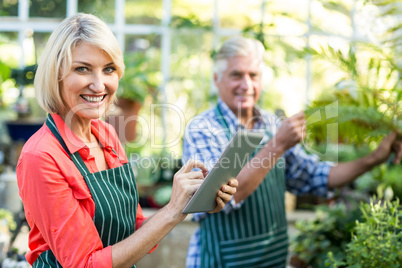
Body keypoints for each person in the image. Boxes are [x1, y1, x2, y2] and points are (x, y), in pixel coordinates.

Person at [16, 13, 238, 268]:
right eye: (82, 69)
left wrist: (188, 202)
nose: (99, 85)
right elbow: (85, 264)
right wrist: (171, 211)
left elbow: (133, 229)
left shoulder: (106, 135)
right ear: (56, 75)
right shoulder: (41, 156)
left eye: (108, 69)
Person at [182, 36, 402, 268]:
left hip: (273, 261)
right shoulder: (203, 128)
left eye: (253, 75)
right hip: (222, 262)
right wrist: (277, 145)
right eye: (236, 75)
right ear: (217, 78)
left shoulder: (271, 123)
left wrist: (374, 158)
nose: (246, 85)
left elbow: (319, 176)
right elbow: (222, 196)